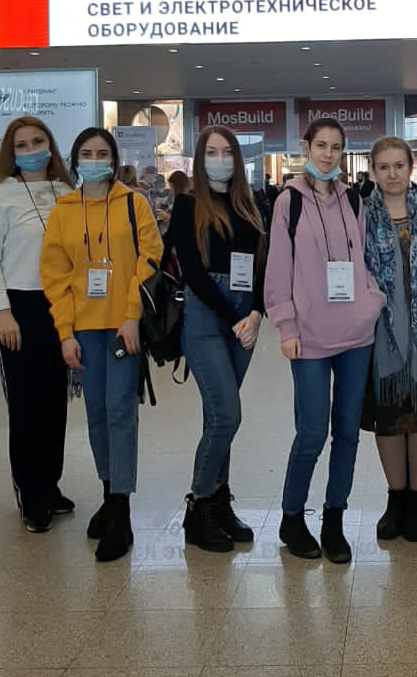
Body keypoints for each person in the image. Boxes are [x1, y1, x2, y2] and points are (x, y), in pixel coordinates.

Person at [264, 117, 385, 563]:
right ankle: (292, 516)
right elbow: (278, 269)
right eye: (321, 145)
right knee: (312, 432)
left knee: (348, 432)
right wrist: (286, 326)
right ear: (307, 148)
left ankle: (334, 519)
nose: (328, 154)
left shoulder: (354, 200)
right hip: (310, 338)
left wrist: (372, 300)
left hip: (356, 335)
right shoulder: (288, 202)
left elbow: (365, 258)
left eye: (336, 147)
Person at [40, 127, 163, 562]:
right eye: (87, 154)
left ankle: (122, 510)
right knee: (95, 414)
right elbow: (54, 276)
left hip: (122, 329)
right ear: (75, 161)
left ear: (114, 159)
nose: (95, 160)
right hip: (83, 331)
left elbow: (151, 258)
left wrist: (131, 314)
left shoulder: (134, 203)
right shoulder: (62, 211)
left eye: (102, 153)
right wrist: (65, 332)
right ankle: (110, 493)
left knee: (120, 412)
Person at [0, 116, 74, 533]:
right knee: (26, 405)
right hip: (18, 308)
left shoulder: (67, 192)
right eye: (22, 144)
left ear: (50, 147)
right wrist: (2, 311)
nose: (31, 150)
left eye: (38, 141)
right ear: (10, 153)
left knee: (55, 402)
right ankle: (31, 495)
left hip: (59, 307)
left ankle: (50, 485)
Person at [169, 126, 265, 552]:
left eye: (227, 152)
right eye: (212, 151)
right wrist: (233, 317)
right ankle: (198, 506)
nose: (220, 159)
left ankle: (219, 502)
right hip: (207, 315)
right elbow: (191, 270)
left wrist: (255, 313)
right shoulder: (187, 204)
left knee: (216, 417)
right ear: (199, 158)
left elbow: (262, 265)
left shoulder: (250, 203)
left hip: (245, 316)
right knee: (227, 415)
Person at [361, 137, 417, 543]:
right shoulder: (361, 217)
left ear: (411, 167)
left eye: (399, 165)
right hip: (378, 334)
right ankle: (395, 498)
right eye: (383, 167)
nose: (392, 174)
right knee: (388, 417)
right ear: (372, 171)